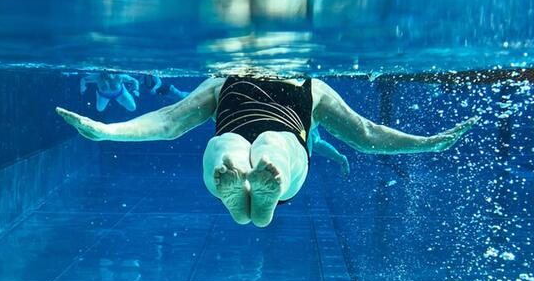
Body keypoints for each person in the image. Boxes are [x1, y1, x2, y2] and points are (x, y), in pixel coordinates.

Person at [57, 75, 478, 228]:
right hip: (289, 148)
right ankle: (256, 185)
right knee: (254, 147)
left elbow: (170, 124)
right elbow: (366, 135)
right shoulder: (309, 85)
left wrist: (110, 131)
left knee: (229, 146)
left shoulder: (225, 79)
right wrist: (107, 130)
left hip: (275, 144)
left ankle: (243, 181)